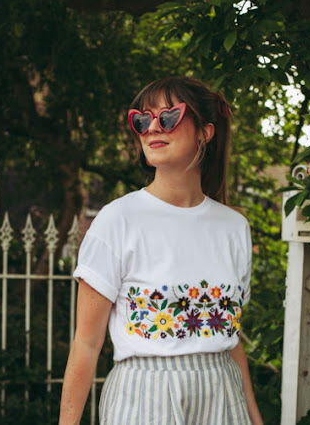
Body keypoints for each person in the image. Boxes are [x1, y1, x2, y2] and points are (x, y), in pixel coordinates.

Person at [59, 76, 263, 425]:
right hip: (143, 399)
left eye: (168, 116)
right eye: (141, 119)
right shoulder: (117, 220)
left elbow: (228, 339)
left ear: (205, 132)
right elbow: (86, 344)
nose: (152, 126)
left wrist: (254, 417)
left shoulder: (234, 229)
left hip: (223, 397)